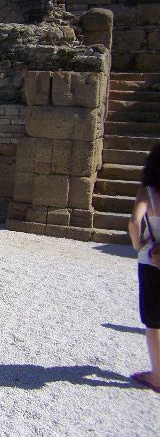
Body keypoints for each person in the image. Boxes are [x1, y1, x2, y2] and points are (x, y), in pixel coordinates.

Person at [128, 142, 160, 393]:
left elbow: (134, 221)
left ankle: (157, 376)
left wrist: (138, 243)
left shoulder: (147, 193)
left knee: (154, 320)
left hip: (153, 260)